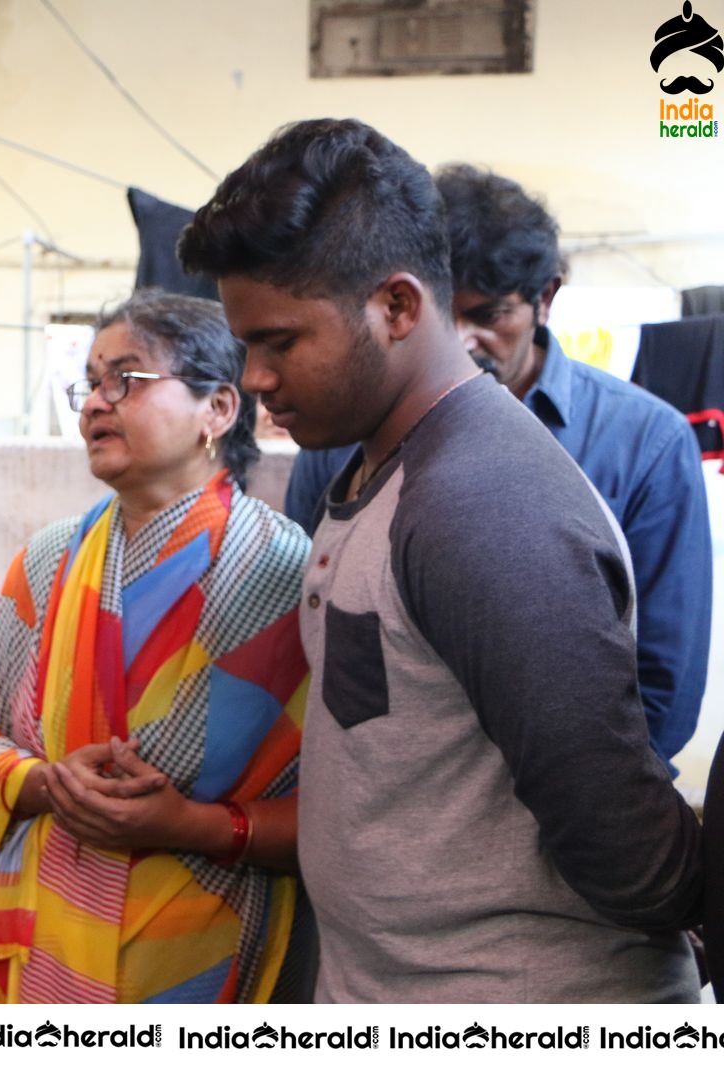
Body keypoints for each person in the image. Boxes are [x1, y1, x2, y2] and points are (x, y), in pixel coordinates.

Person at [179, 117, 703, 1002]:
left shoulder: (483, 504)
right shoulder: (376, 461)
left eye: (281, 341)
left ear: (395, 307)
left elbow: (628, 849)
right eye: (247, 345)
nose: (257, 378)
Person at [0, 290, 310, 1004]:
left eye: (125, 380)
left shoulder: (284, 573)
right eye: (91, 382)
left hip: (204, 949)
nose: (96, 403)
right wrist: (44, 782)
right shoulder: (45, 564)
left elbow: (344, 806)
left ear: (218, 410)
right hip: (44, 933)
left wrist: (189, 824)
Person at [283, 164, 710, 768]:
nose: (460, 342)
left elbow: (662, 688)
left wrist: (583, 820)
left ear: (546, 299)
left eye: (487, 316)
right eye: (441, 315)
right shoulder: (339, 438)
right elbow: (311, 631)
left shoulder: (643, 442)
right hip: (374, 807)